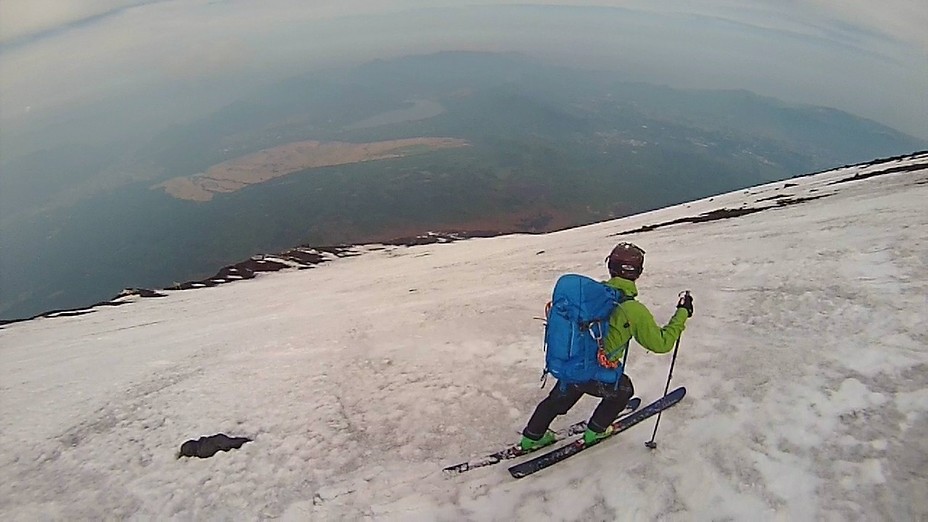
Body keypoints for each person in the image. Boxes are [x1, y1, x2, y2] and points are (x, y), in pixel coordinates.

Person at [520, 242, 693, 450]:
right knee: (623, 390)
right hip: (596, 371)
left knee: (565, 392)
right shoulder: (633, 310)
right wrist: (682, 313)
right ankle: (596, 431)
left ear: (610, 267)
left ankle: (532, 437)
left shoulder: (593, 298)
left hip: (571, 362)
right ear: (638, 273)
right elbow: (662, 344)